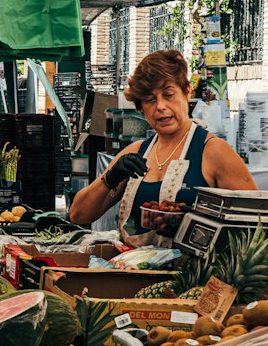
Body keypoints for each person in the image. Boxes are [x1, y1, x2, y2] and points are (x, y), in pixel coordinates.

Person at [69, 49, 255, 244]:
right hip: (134, 270)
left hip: (190, 272)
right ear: (141, 109)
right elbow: (78, 215)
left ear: (186, 93)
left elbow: (254, 223)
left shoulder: (213, 151)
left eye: (168, 94)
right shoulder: (136, 152)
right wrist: (110, 178)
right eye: (150, 100)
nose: (160, 106)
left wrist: (194, 223)